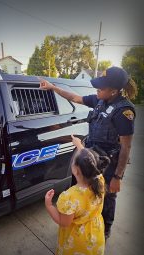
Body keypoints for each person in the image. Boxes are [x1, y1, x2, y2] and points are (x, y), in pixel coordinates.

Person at [40, 66, 137, 238]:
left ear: (114, 91)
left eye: (100, 88)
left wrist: (117, 177)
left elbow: (126, 147)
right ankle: (77, 225)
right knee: (81, 193)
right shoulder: (100, 100)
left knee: (105, 200)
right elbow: (75, 97)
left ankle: (103, 235)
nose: (97, 91)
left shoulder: (124, 112)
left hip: (108, 166)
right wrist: (53, 87)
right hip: (90, 158)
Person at [45, 145, 110, 255]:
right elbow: (88, 161)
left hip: (78, 239)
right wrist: (79, 145)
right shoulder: (99, 180)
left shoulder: (69, 197)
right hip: (96, 233)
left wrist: (49, 205)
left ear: (76, 171)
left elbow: (64, 222)